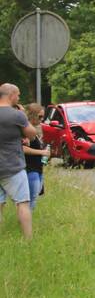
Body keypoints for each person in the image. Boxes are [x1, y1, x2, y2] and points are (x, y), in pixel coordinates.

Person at [0, 84, 39, 239]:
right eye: (18, 95)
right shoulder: (16, 115)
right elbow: (32, 134)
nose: (19, 98)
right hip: (13, 167)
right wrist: (23, 115)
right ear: (11, 96)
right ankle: (28, 239)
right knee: (22, 203)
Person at [21, 103, 49, 211]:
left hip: (38, 169)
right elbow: (23, 149)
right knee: (30, 199)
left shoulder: (34, 130)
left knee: (34, 198)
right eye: (39, 116)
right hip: (30, 169)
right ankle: (26, 223)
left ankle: (26, 222)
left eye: (43, 117)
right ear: (31, 115)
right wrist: (41, 152)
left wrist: (45, 152)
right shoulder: (26, 131)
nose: (42, 119)